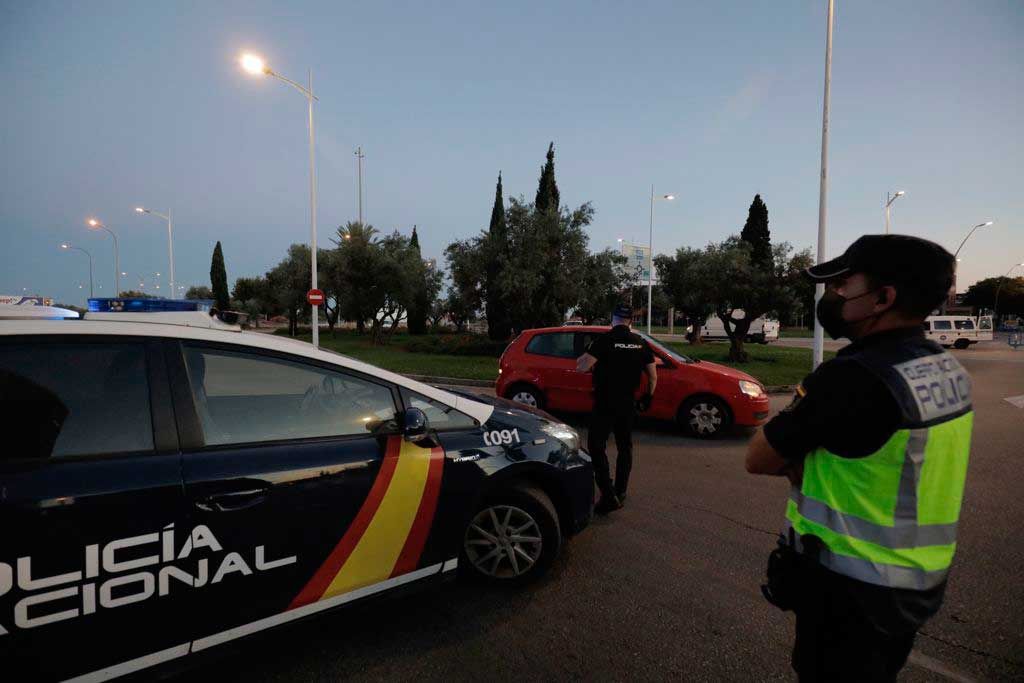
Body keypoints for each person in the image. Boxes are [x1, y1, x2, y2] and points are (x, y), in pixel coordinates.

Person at [746, 234, 973, 682]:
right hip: (914, 586)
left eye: (843, 285)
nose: (832, 296)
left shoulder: (855, 378)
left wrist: (803, 461)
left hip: (850, 594)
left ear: (883, 298)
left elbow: (759, 457)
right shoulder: (945, 368)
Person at [576, 304, 657, 514]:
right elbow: (653, 376)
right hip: (627, 403)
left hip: (605, 402)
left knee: (596, 445)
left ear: (613, 318)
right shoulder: (641, 343)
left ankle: (608, 492)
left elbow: (582, 366)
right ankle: (620, 491)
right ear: (631, 321)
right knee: (625, 446)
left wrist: (586, 354)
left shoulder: (604, 341)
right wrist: (648, 396)